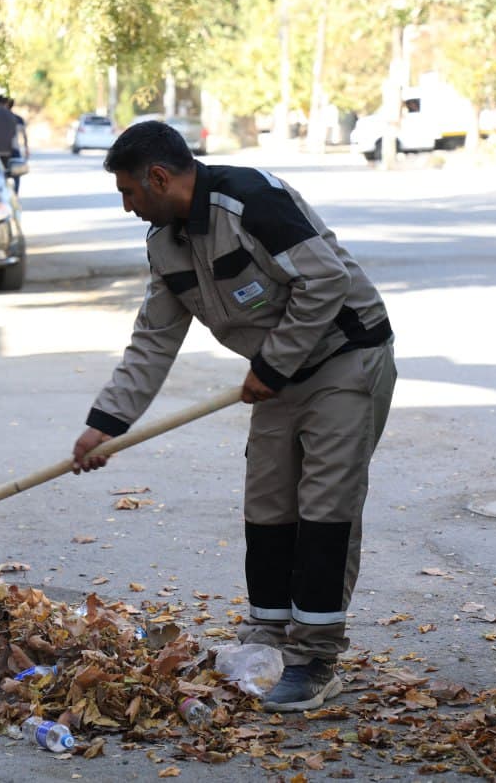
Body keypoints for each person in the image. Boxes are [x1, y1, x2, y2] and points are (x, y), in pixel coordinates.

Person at [70, 120, 396, 712]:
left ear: (160, 177)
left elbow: (325, 281)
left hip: (345, 358)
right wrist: (107, 423)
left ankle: (315, 657)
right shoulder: (166, 244)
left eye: (129, 192)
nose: (126, 206)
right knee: (268, 503)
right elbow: (152, 340)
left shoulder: (250, 201)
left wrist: (271, 366)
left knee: (325, 507)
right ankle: (268, 638)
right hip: (277, 378)